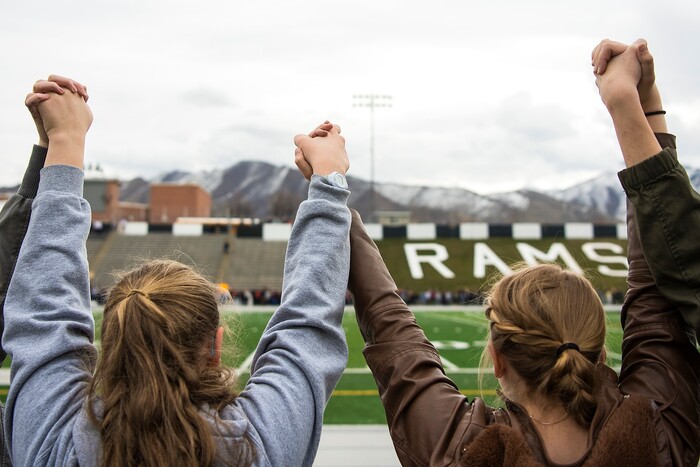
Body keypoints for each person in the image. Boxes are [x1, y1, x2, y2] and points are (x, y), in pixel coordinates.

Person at [311, 40, 699, 466]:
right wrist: (642, 110)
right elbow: (658, 287)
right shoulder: (657, 434)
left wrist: (329, 189)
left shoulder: (462, 451)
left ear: (496, 360)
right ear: (600, 351)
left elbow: (392, 331)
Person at [2, 76, 352, 466]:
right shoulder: (260, 446)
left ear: (113, 347)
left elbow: (45, 309)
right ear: (215, 347)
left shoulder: (53, 447)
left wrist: (64, 143)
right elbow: (308, 321)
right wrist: (329, 181)